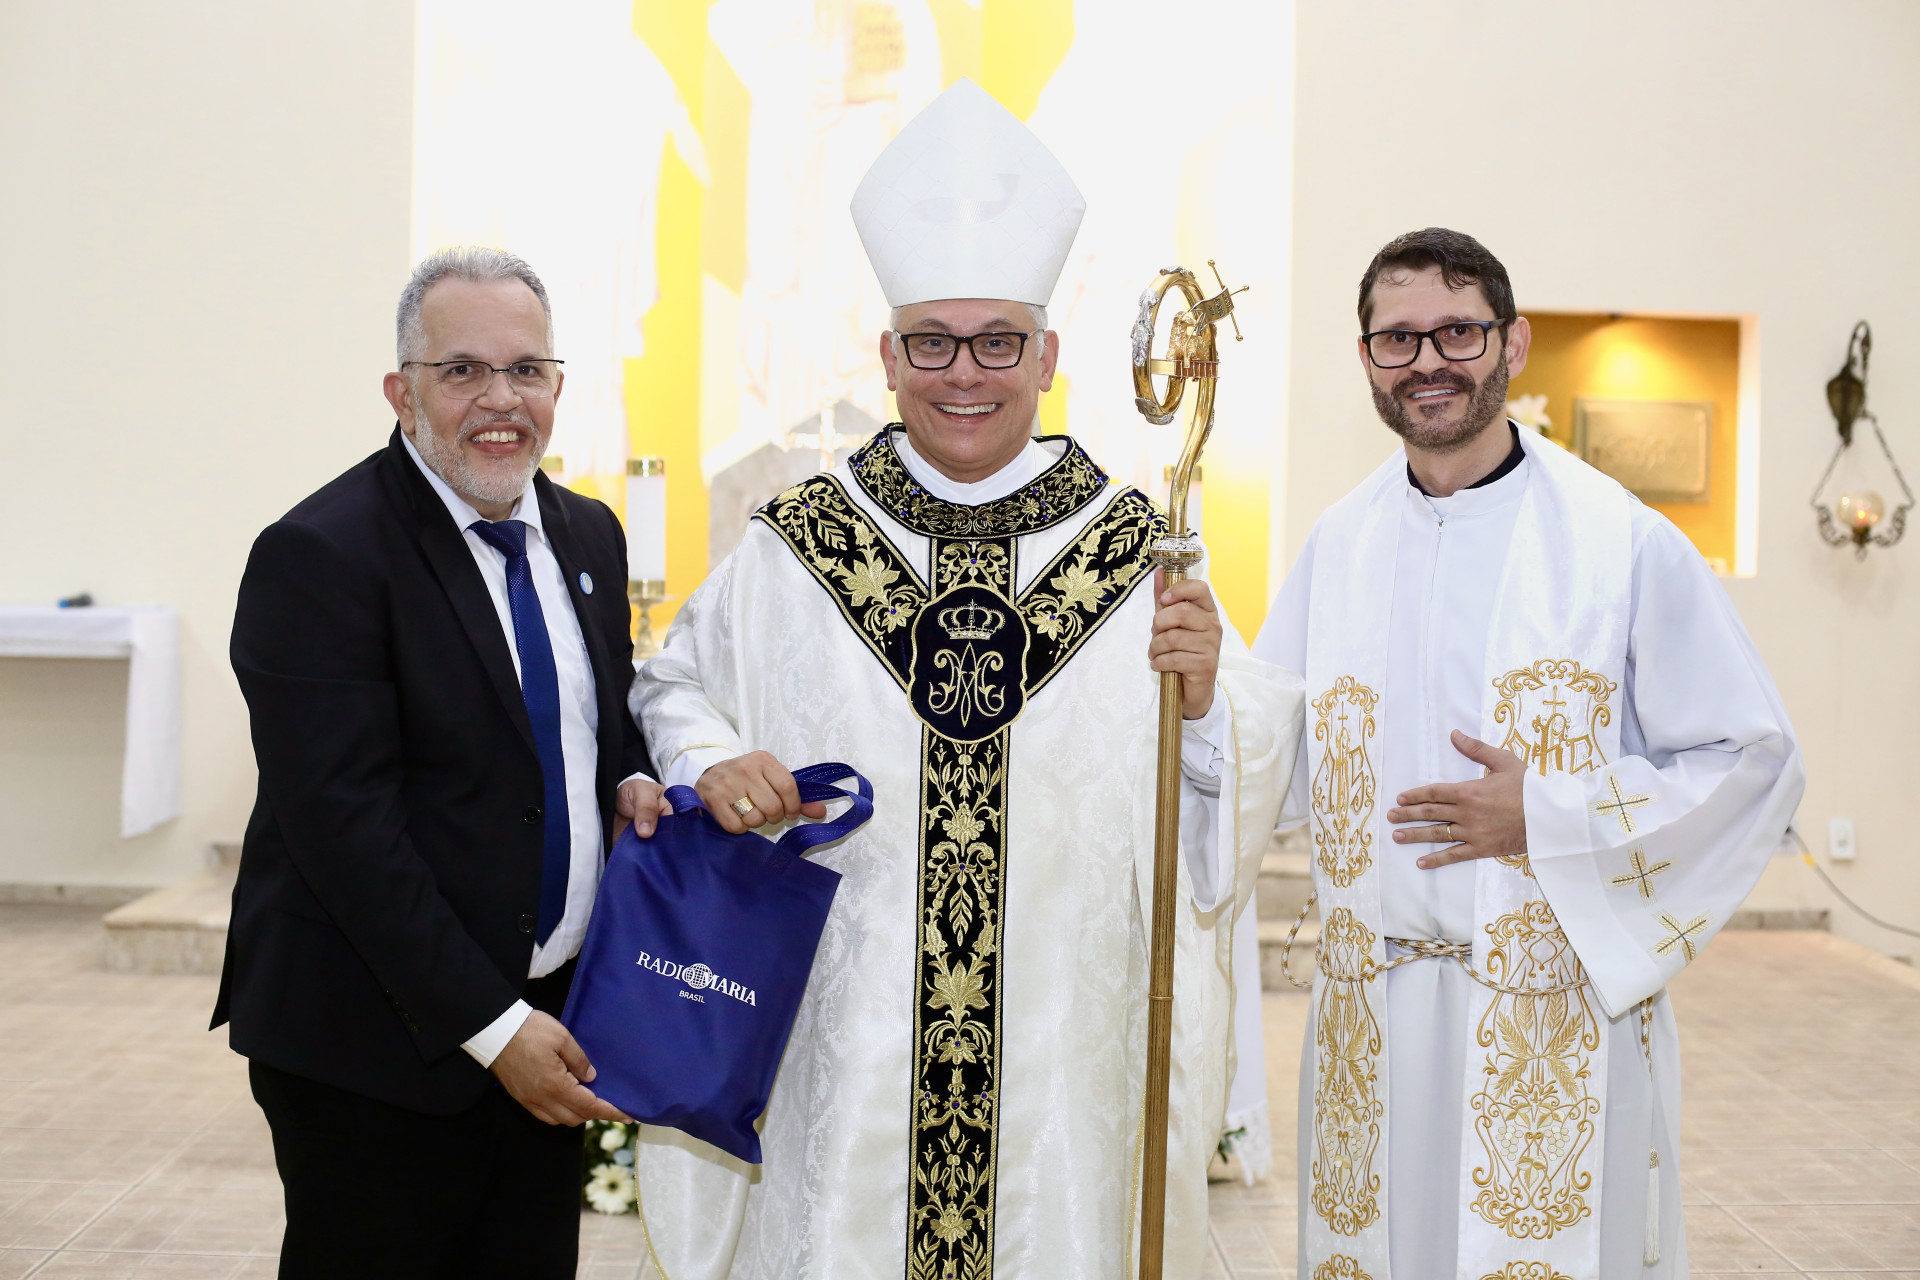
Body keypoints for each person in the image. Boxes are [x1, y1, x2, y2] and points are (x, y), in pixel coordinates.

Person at [628, 79, 1303, 1279]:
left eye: (998, 342)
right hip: (855, 1045)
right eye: (933, 343)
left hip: (1061, 1074)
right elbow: (673, 683)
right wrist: (708, 758)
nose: (965, 375)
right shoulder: (801, 543)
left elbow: (1242, 763)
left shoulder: (1132, 545)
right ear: (889, 353)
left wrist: (1204, 702)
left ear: (1046, 352)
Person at [1256, 227, 1805, 1280]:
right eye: (1397, 337)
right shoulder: (1342, 541)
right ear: (1366, 357)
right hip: (1375, 1024)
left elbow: (1752, 758)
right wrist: (1195, 698)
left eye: (1457, 330)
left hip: (1557, 1024)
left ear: (1513, 345)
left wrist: (1549, 816)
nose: (1427, 360)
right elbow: (1265, 749)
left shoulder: (1618, 538)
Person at [215, 247, 670, 1279]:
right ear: (402, 392)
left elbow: (593, 721)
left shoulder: (587, 533)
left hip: (545, 1020)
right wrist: (493, 1024)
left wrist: (632, 776)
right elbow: (344, 831)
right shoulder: (322, 554)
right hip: (376, 1044)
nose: (499, 400)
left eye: (526, 370)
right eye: (461, 370)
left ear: (558, 385)